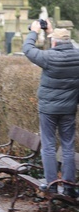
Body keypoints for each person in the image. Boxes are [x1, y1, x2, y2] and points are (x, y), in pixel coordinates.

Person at [23, 24, 79, 197]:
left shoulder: (48, 57)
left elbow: (27, 49)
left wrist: (34, 31)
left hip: (48, 109)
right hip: (69, 108)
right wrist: (52, 32)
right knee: (68, 145)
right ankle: (69, 186)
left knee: (48, 145)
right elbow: (71, 45)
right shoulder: (77, 55)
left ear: (53, 43)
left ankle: (52, 184)